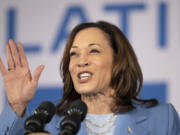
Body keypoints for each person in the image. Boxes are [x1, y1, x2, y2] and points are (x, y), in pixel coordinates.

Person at [0, 21, 179, 135]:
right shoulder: (46, 126)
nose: (81, 61)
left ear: (118, 60)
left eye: (93, 50)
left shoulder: (162, 118)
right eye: (74, 54)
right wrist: (17, 105)